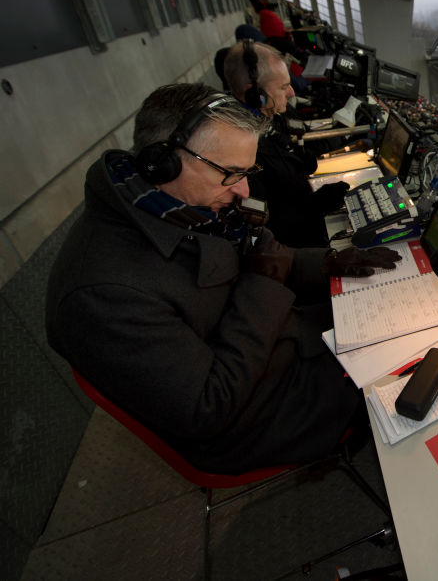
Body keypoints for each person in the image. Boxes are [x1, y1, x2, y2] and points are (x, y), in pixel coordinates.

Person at [46, 83, 402, 474]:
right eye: (232, 174)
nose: (244, 190)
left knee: (396, 313)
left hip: (277, 346)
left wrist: (334, 262)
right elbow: (209, 407)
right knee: (407, 367)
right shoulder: (100, 296)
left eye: (248, 173)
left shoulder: (180, 205)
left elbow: (268, 257)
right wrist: (264, 281)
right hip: (259, 412)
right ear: (162, 161)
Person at [224, 40, 348, 248]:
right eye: (283, 87)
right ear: (254, 95)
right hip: (296, 245)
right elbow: (272, 229)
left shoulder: (271, 118)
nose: (291, 92)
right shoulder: (243, 150)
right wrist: (316, 205)